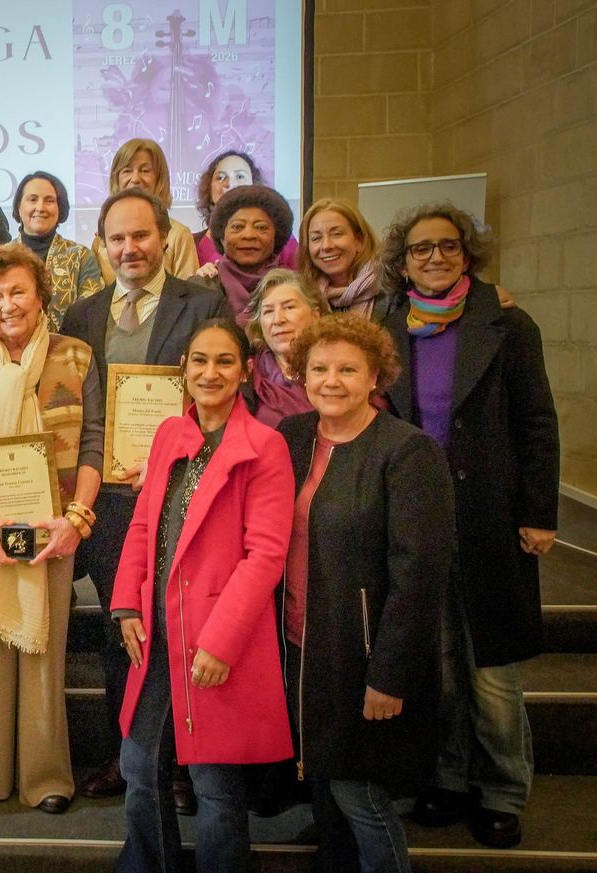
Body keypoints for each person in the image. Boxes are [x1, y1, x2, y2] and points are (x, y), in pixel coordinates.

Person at [379, 204, 559, 850]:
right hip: (420, 517)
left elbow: (537, 420)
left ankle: (502, 789)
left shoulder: (507, 323)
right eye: (421, 249)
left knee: (491, 670)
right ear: (402, 263)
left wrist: (539, 511)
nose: (434, 258)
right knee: (443, 664)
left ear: (467, 254)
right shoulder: (387, 322)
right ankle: (451, 777)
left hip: (489, 516)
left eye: (447, 247)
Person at [59, 188, 231, 803]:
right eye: (116, 239)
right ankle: (122, 757)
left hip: (181, 496)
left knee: (177, 627)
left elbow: (221, 399)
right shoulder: (81, 315)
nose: (129, 248)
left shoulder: (205, 304)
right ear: (102, 246)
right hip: (106, 502)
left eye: (140, 236)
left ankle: (184, 765)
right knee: (118, 630)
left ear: (163, 237)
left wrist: (176, 458)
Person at [111, 318, 295, 873]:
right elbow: (145, 525)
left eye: (223, 361)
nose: (209, 372)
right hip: (158, 634)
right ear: (184, 370)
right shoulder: (171, 433)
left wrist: (219, 642)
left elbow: (264, 556)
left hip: (215, 642)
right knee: (140, 770)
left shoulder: (264, 446)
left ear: (243, 372)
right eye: (199, 361)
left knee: (215, 785)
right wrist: (125, 603)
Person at [278, 314, 454, 873]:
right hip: (303, 641)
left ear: (375, 375)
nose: (331, 381)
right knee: (327, 787)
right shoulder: (294, 437)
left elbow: (420, 574)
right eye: (319, 369)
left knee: (361, 795)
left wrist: (390, 674)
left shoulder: (408, 452)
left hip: (366, 654)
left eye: (348, 369)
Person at [0, 243, 102, 814]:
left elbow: (94, 439)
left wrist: (75, 520)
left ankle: (45, 778)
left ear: (40, 295)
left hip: (53, 524)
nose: (8, 304)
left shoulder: (78, 357)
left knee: (42, 649)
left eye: (18, 291)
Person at [90, 139, 199, 280]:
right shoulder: (101, 239)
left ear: (159, 178)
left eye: (145, 170)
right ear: (116, 179)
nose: (135, 179)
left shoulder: (179, 235)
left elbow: (189, 295)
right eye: (127, 171)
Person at [11, 171, 106, 330]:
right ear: (19, 207)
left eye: (49, 200)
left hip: (68, 350)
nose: (40, 207)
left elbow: (92, 313)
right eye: (32, 199)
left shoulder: (81, 256)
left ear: (60, 208)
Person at [194, 185, 299, 321]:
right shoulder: (199, 289)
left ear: (277, 236)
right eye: (237, 227)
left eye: (261, 227)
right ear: (221, 236)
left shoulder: (296, 288)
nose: (249, 235)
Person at [243, 269, 330, 427]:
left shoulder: (338, 367)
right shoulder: (247, 374)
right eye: (268, 311)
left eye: (289, 307)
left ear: (315, 315)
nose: (278, 320)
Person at [194, 152, 298, 268]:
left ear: (254, 184)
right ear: (209, 188)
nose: (230, 184)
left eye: (239, 176)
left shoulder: (281, 238)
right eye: (220, 177)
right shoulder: (192, 243)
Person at [298, 197, 384, 318]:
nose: (326, 246)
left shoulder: (390, 290)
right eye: (316, 238)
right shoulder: (304, 299)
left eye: (336, 234)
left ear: (359, 240)